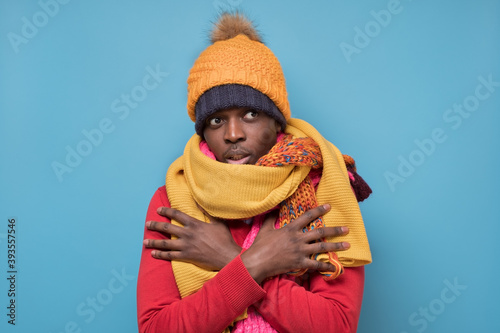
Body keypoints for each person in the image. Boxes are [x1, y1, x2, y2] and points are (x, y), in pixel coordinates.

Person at [137, 12, 372, 333]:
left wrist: (228, 259)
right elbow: (156, 329)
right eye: (216, 120)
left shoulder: (324, 188)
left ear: (277, 121)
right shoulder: (174, 200)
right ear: (203, 131)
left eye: (250, 114)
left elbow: (335, 326)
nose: (233, 134)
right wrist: (257, 263)